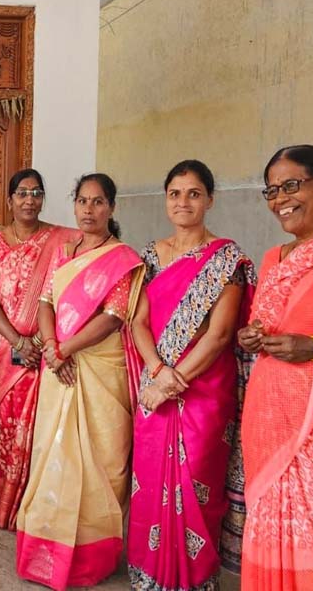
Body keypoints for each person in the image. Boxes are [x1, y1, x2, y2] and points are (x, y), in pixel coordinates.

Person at [127, 160, 255, 590]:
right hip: (155, 383)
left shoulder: (226, 259)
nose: (183, 202)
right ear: (166, 200)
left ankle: (195, 580)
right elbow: (137, 322)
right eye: (175, 194)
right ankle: (150, 575)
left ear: (210, 200)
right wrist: (157, 372)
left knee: (198, 482)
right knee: (149, 482)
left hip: (204, 390)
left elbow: (219, 336)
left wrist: (171, 381)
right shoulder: (149, 255)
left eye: (194, 193)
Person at [15, 173, 144, 590]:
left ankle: (90, 557)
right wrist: (54, 347)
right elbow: (46, 302)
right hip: (60, 366)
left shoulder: (121, 259)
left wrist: (65, 349)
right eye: (82, 201)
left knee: (100, 462)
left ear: (112, 208)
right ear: (74, 205)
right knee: (53, 453)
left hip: (98, 369)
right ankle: (45, 551)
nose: (89, 210)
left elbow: (113, 317)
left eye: (98, 202)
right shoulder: (65, 251)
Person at [236, 145, 313, 590]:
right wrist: (249, 336)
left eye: (292, 185)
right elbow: (265, 322)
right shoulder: (272, 259)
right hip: (268, 415)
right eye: (272, 190)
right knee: (271, 520)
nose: (280, 198)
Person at [0, 168, 77, 528]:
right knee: (8, 421)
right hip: (7, 346)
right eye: (22, 193)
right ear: (10, 200)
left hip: (47, 344)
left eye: (36, 193)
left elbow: (72, 288)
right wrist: (19, 341)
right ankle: (6, 503)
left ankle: (37, 507)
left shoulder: (63, 240)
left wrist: (41, 339)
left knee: (43, 423)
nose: (29, 200)